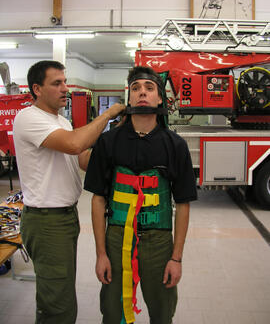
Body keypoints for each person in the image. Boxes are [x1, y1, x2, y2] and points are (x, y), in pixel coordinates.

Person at [13, 60, 125, 324]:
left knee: (61, 289)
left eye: (65, 81)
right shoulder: (28, 118)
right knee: (57, 305)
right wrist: (107, 116)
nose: (65, 88)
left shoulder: (60, 120)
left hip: (64, 218)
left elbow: (82, 158)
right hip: (46, 222)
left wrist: (117, 142)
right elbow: (75, 145)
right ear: (37, 89)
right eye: (57, 83)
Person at [84, 66, 197, 324]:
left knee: (162, 311)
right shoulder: (108, 142)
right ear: (129, 98)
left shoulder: (175, 145)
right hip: (115, 240)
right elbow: (98, 199)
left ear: (160, 98)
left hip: (158, 242)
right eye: (135, 88)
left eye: (149, 88)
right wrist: (101, 253)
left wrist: (176, 258)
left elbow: (183, 204)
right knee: (113, 312)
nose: (142, 93)